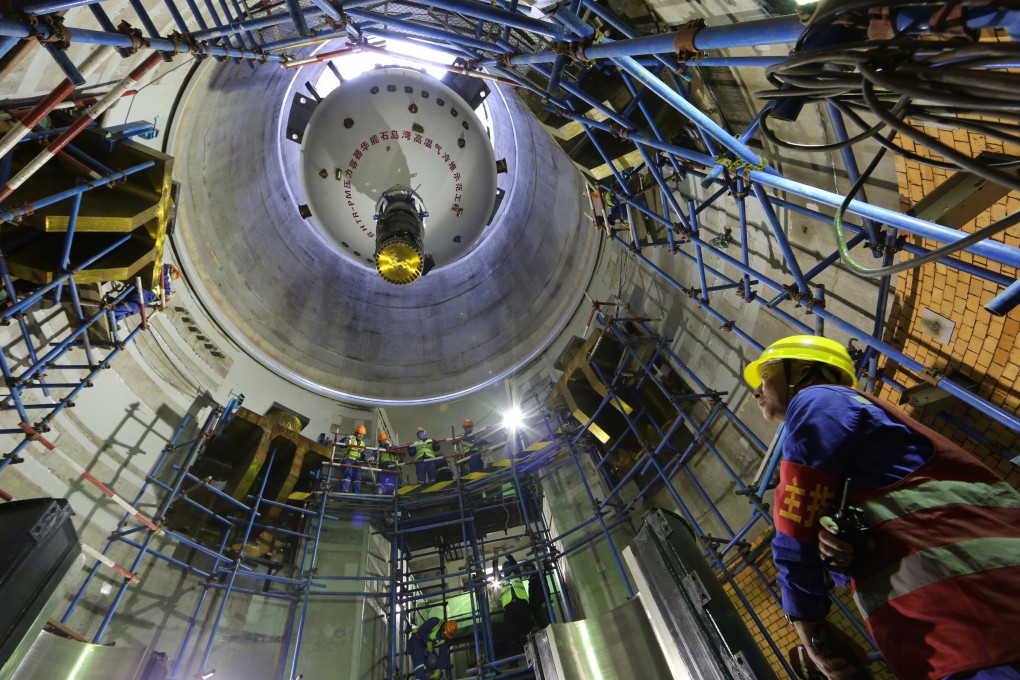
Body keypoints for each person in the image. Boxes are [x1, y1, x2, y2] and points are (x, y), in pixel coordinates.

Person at [745, 335, 1020, 680]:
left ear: (800, 371)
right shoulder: (864, 447)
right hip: (965, 627)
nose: (756, 391)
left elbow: (795, 511)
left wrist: (806, 619)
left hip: (976, 623)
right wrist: (840, 551)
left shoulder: (817, 399)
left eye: (765, 376)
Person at [111, 263, 181, 323]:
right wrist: (167, 291)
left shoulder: (165, 283)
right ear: (173, 270)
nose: (175, 278)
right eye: (176, 275)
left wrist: (161, 300)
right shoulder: (165, 268)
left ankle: (114, 319)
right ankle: (111, 313)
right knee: (135, 306)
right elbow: (164, 278)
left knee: (135, 309)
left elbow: (158, 293)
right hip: (146, 289)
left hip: (147, 296)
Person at [499, 555, 531, 658]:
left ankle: (533, 653)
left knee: (527, 629)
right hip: (509, 607)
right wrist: (494, 564)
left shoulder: (517, 575)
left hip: (521, 603)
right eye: (505, 567)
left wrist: (510, 557)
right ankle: (513, 661)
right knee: (510, 633)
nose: (507, 569)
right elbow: (496, 575)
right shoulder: (501, 581)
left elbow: (515, 566)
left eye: (509, 566)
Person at [337, 425, 367, 493]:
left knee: (357, 478)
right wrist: (347, 437)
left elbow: (362, 454)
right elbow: (341, 444)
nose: (361, 436)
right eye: (359, 434)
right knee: (348, 474)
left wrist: (366, 458)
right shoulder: (351, 440)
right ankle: (344, 490)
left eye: (362, 434)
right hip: (348, 460)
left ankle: (356, 493)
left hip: (356, 462)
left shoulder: (362, 443)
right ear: (356, 433)